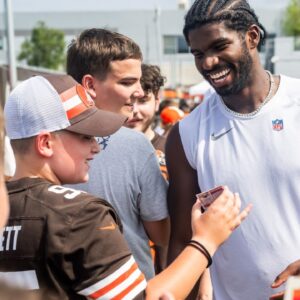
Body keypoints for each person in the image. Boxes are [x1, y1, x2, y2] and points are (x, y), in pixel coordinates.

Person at [0, 74, 251, 299]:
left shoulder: (5, 209)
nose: (96, 147)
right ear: (45, 143)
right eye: (86, 136)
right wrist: (206, 240)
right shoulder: (80, 215)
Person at [166, 0, 300, 299]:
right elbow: (182, 243)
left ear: (252, 37)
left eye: (219, 47)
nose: (208, 63)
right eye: (198, 54)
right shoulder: (186, 134)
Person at [66, 28, 170, 281]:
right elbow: (162, 234)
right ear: (90, 84)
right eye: (127, 82)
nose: (137, 91)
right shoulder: (135, 145)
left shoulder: (46, 141)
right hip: (129, 287)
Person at [126, 63, 168, 273]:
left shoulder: (174, 147)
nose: (134, 111)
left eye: (143, 101)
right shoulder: (102, 150)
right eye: (129, 101)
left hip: (170, 268)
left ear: (157, 102)